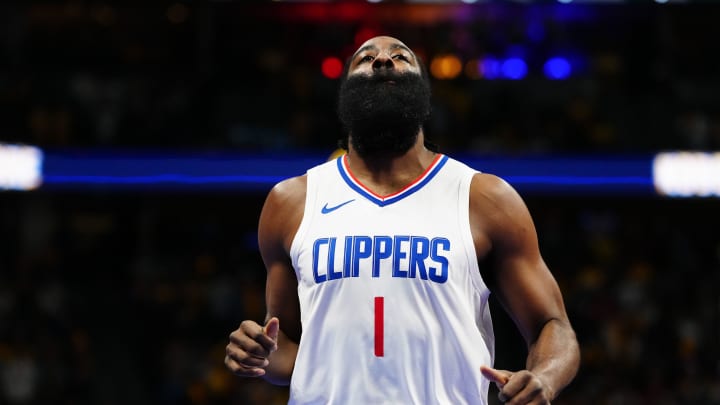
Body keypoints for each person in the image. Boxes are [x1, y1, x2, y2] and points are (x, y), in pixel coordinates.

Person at [225, 35, 580, 404]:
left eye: (400, 56)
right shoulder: (291, 201)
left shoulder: (484, 198)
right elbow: (286, 347)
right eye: (365, 58)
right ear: (344, 91)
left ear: (423, 92)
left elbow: (553, 326)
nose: (382, 61)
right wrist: (261, 354)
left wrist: (545, 378)